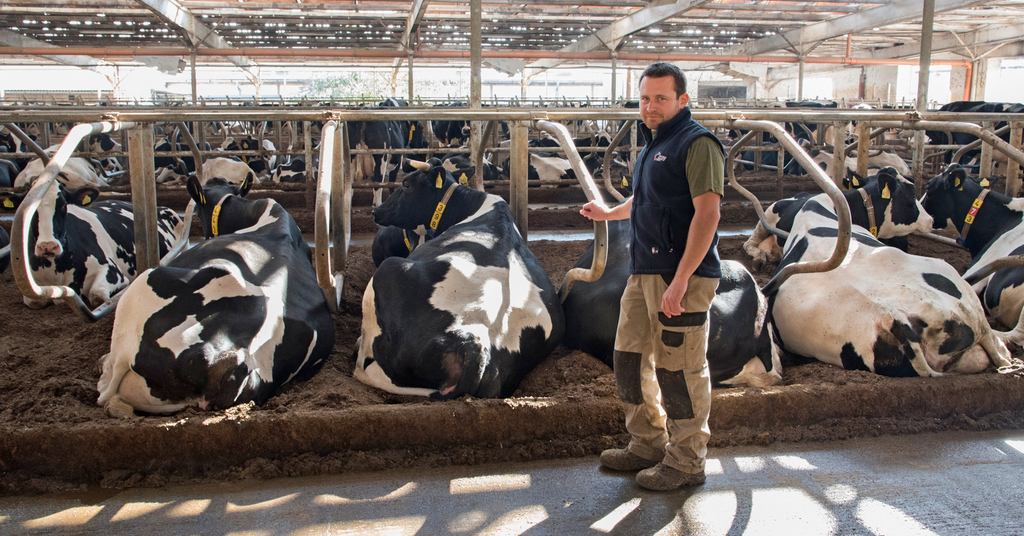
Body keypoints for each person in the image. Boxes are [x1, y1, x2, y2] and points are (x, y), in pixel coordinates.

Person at [580, 62, 724, 491]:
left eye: (660, 98)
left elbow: (709, 213)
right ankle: (647, 442)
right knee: (628, 357)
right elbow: (644, 200)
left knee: (679, 369)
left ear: (682, 100)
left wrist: (682, 279)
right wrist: (609, 213)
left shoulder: (697, 144)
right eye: (645, 98)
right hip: (643, 272)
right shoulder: (651, 146)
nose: (650, 106)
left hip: (682, 276)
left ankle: (686, 460)